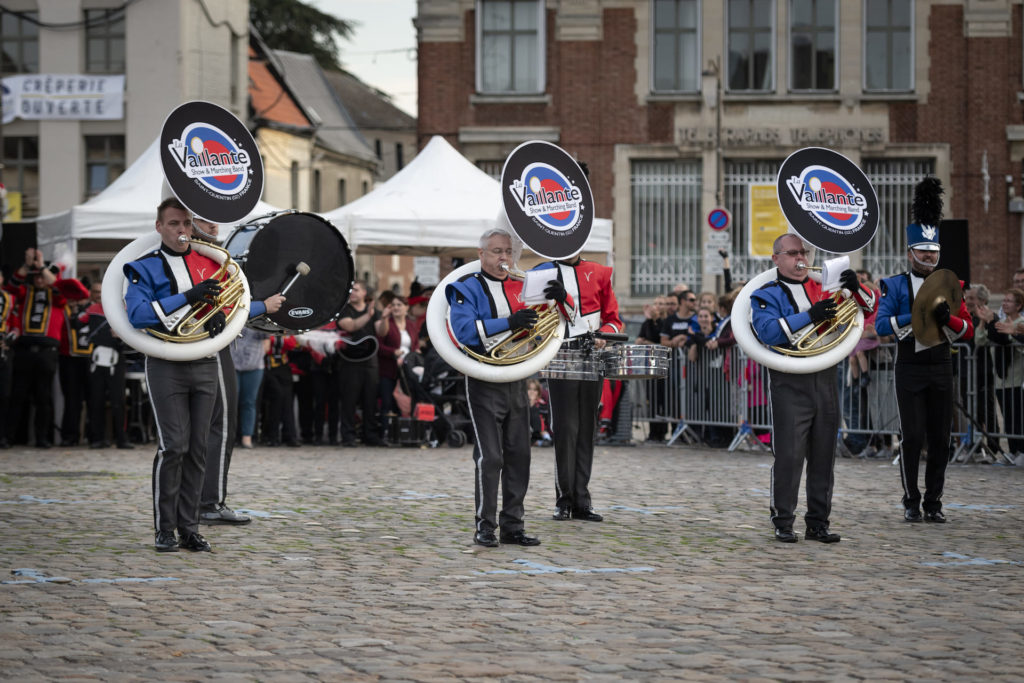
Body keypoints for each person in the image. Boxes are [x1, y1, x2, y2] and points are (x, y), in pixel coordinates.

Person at [124, 198, 278, 552]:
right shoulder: (144, 267)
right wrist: (187, 297)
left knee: (197, 449)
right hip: (165, 363)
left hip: (205, 361)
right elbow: (138, 314)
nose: (182, 231)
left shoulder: (209, 263)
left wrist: (223, 316)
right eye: (175, 224)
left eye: (186, 224)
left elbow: (229, 304)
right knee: (173, 446)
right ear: (159, 226)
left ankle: (189, 527)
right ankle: (165, 529)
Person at [751, 233, 876, 543]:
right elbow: (767, 331)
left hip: (825, 375)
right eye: (793, 253)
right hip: (789, 380)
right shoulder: (767, 293)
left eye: (803, 252)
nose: (801, 259)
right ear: (776, 259)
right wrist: (810, 316)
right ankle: (783, 521)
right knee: (790, 455)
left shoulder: (822, 286)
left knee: (824, 455)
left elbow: (869, 308)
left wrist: (855, 286)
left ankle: (818, 523)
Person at [876, 188, 973, 525]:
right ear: (910, 253)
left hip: (941, 365)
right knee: (913, 436)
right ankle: (911, 500)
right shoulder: (894, 284)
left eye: (934, 252)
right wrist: (916, 314)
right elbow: (881, 323)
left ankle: (934, 501)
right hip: (910, 366)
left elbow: (969, 330)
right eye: (923, 251)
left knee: (940, 438)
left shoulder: (952, 284)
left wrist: (950, 319)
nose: (929, 257)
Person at [446, 227, 541, 547]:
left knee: (520, 455)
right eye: (497, 251)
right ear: (481, 255)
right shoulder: (466, 287)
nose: (504, 257)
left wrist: (555, 300)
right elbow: (464, 331)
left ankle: (513, 525)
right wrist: (510, 323)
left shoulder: (522, 287)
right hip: (484, 378)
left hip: (517, 378)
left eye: (508, 251)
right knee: (491, 457)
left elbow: (542, 326)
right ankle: (485, 526)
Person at [190, 217, 284, 526]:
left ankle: (196, 501)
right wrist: (263, 307)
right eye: (204, 218)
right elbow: (227, 307)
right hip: (210, 346)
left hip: (204, 346)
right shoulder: (203, 259)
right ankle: (210, 502)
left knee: (203, 429)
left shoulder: (214, 258)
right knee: (222, 425)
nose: (213, 225)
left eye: (215, 219)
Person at [532, 248, 623, 523]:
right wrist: (560, 301)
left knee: (586, 428)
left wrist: (605, 337)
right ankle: (564, 499)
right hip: (560, 354)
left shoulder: (600, 272)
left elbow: (614, 320)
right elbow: (534, 316)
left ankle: (582, 500)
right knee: (565, 428)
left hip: (592, 357)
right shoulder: (540, 273)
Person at [4, 248, 89, 448]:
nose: (39, 280)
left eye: (42, 276)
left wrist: (43, 267)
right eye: (36, 277)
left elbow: (75, 291)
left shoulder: (58, 295)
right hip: (24, 350)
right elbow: (12, 285)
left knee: (44, 397)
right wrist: (27, 265)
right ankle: (8, 437)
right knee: (17, 396)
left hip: (47, 353)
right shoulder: (24, 292)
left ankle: (43, 438)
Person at [81, 281, 133, 450]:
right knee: (96, 400)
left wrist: (120, 337)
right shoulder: (91, 310)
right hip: (97, 358)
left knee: (118, 401)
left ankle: (121, 438)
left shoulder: (123, 310)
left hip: (116, 358)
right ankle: (97, 438)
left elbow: (132, 337)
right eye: (96, 292)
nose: (100, 295)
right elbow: (78, 324)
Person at [336, 280, 383, 447]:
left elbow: (381, 331)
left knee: (370, 400)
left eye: (356, 290)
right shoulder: (344, 310)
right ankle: (348, 436)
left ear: (364, 293)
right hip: (350, 361)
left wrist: (384, 318)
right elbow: (351, 326)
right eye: (350, 290)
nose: (352, 292)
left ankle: (370, 434)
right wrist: (367, 316)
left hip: (370, 361)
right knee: (349, 400)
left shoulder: (375, 312)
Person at [985, 288, 1024, 457]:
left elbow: (1017, 345)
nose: (1004, 303)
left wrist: (1012, 333)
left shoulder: (1021, 324)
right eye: (1004, 300)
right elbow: (983, 339)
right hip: (1001, 379)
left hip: (1016, 378)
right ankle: (1013, 450)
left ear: (1019, 305)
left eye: (1009, 301)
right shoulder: (1002, 322)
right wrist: (986, 323)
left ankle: (1021, 450)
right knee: (1007, 417)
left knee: (1018, 418)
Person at [377, 295, 420, 436]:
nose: (396, 308)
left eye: (399, 305)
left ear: (406, 308)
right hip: (389, 369)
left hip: (407, 370)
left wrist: (416, 353)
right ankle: (385, 432)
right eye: (393, 305)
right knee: (387, 402)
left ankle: (403, 432)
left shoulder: (411, 324)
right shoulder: (387, 322)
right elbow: (379, 346)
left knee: (405, 401)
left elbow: (415, 344)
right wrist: (393, 352)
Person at [0, 269, 13, 449]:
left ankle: (3, 435)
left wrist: (11, 336)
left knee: (4, 395)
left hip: (4, 350)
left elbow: (15, 323)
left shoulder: (10, 298)